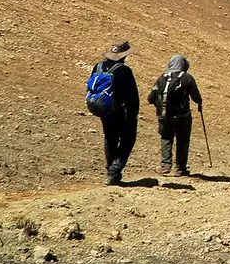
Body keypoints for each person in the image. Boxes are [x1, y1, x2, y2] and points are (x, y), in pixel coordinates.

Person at [85, 41, 138, 185]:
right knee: (128, 138)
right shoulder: (124, 71)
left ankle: (110, 169)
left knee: (110, 137)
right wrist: (133, 114)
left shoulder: (98, 66)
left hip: (103, 108)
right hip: (120, 110)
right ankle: (115, 170)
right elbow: (132, 95)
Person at [147, 55, 203, 176]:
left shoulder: (161, 78)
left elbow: (150, 99)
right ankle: (179, 168)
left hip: (164, 115)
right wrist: (199, 103)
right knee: (182, 140)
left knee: (166, 138)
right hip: (183, 116)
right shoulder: (187, 78)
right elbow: (196, 97)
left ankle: (165, 166)